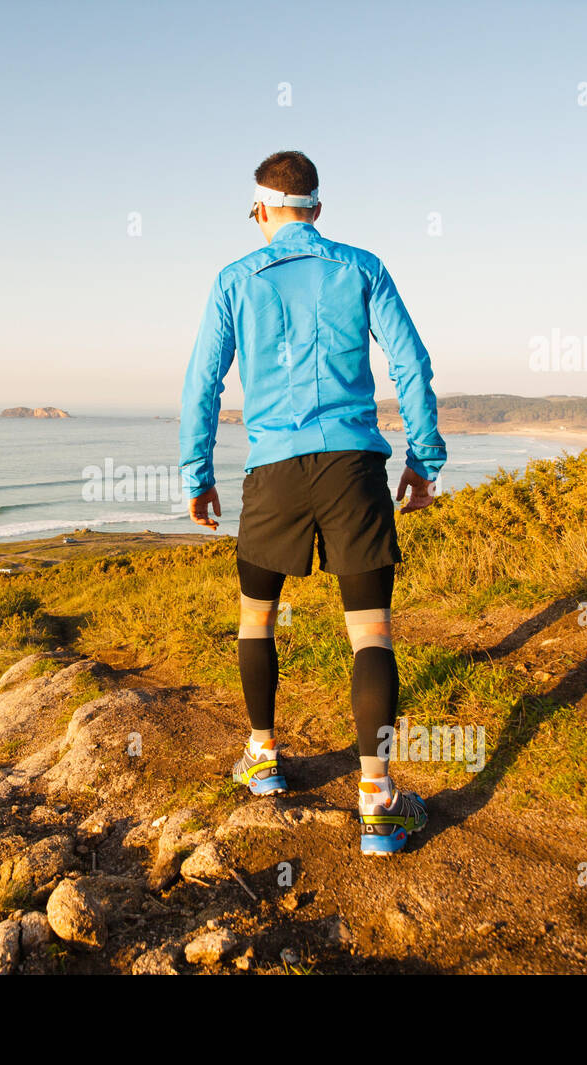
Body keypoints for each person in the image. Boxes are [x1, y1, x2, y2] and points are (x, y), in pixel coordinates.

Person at [179, 150, 446, 855]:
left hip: (274, 469)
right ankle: (379, 804)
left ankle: (263, 758)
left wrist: (195, 472)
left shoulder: (234, 279)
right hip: (354, 463)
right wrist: (425, 458)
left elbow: (203, 381)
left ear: (263, 211)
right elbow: (410, 362)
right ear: (318, 211)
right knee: (372, 633)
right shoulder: (362, 267)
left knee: (257, 617)